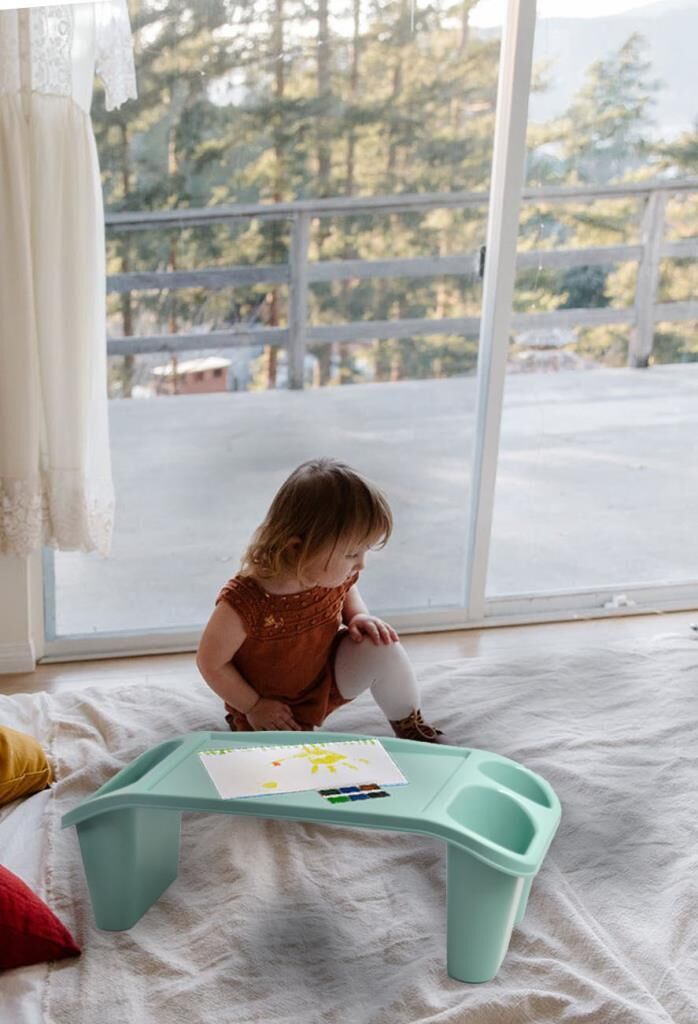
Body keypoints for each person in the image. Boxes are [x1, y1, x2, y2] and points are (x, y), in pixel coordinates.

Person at [196, 458, 446, 743]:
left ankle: (410, 724)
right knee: (278, 759)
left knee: (382, 646)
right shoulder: (247, 602)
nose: (361, 564)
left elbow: (347, 591)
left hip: (323, 683)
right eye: (352, 554)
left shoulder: (330, 575)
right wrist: (252, 706)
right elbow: (210, 662)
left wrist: (358, 617)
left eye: (364, 552)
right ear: (297, 547)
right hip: (267, 706)